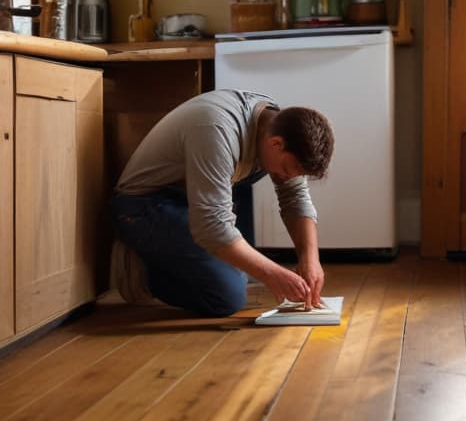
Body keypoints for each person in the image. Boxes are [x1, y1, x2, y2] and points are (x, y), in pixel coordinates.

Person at [111, 89, 334, 317]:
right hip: (144, 206)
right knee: (229, 294)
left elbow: (295, 198)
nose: (287, 177)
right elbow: (211, 227)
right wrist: (272, 273)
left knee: (243, 268)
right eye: (287, 170)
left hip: (190, 202)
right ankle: (142, 273)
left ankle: (179, 255)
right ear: (276, 144)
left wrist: (310, 259)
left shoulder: (276, 125)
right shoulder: (216, 130)